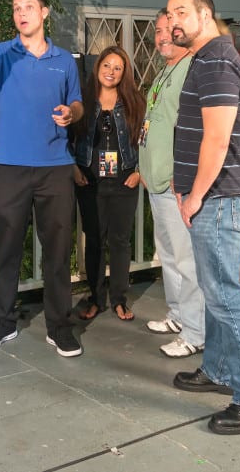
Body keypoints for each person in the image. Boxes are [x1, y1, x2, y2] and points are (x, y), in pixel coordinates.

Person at [166, 0, 240, 436]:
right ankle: (218, 370)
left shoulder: (215, 60)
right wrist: (182, 179)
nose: (173, 20)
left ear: (205, 14)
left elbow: (217, 139)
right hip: (214, 194)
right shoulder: (208, 57)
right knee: (215, 290)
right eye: (169, 12)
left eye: (182, 12)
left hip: (219, 197)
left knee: (226, 294)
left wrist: (194, 196)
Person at [0, 0, 84, 357]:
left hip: (55, 167)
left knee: (57, 249)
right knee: (6, 248)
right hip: (8, 166)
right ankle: (1, 321)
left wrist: (72, 113)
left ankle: (60, 326)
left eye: (28, 7)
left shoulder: (63, 59)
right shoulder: (2, 51)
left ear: (44, 12)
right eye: (16, 8)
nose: (22, 13)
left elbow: (79, 102)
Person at [138, 10, 205, 358]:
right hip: (157, 181)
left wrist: (185, 181)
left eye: (169, 31)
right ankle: (178, 315)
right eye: (158, 32)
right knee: (168, 255)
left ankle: (196, 331)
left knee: (187, 259)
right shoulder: (164, 70)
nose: (162, 37)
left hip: (177, 183)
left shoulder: (192, 68)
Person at [72, 46, 144, 323]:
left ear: (124, 73)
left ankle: (119, 299)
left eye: (118, 68)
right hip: (89, 180)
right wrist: (74, 168)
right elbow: (69, 137)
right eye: (107, 66)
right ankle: (96, 298)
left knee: (120, 242)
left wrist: (140, 171)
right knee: (94, 242)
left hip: (125, 180)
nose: (111, 72)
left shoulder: (134, 102)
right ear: (97, 68)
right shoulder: (83, 103)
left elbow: (145, 140)